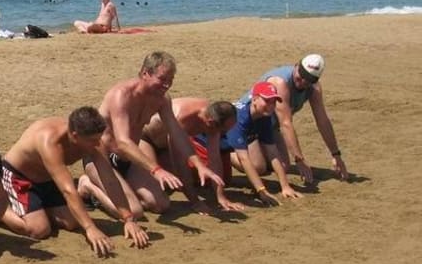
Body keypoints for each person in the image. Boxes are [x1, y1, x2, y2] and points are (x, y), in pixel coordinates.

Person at [0, 107, 149, 255]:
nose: (98, 144)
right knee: (39, 230)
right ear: (75, 136)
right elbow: (68, 190)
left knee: (72, 222)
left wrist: (128, 218)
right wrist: (91, 229)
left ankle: (36, 208)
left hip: (47, 179)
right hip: (18, 177)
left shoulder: (92, 139)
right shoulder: (50, 141)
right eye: (93, 141)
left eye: (98, 139)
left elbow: (110, 180)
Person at [78, 51, 223, 217]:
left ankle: (122, 189)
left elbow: (177, 134)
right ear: (145, 73)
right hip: (102, 158)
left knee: (161, 204)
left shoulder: (161, 99)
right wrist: (156, 170)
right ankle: (87, 184)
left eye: (171, 80)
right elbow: (123, 142)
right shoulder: (122, 95)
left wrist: (198, 164)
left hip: (129, 160)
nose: (167, 85)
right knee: (135, 211)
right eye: (162, 79)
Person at [237, 54, 349, 184]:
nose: (303, 81)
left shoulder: (314, 88)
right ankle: (228, 150)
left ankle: (256, 149)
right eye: (301, 75)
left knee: (284, 166)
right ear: (296, 66)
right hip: (248, 124)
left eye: (309, 80)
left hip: (268, 127)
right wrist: (299, 159)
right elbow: (285, 123)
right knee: (258, 166)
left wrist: (336, 155)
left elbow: (322, 121)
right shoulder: (280, 82)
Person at [140, 98, 245, 212]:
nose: (224, 134)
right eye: (224, 131)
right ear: (210, 123)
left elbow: (215, 159)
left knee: (175, 183)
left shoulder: (213, 116)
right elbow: (180, 163)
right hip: (146, 139)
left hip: (164, 146)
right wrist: (195, 202)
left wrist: (221, 197)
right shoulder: (184, 118)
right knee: (159, 193)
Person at [221, 82, 302, 205]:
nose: (271, 106)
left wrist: (285, 186)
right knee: (224, 181)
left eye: (273, 102)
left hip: (233, 143)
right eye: (267, 101)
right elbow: (244, 158)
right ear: (254, 99)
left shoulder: (264, 116)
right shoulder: (239, 118)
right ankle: (225, 157)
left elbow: (273, 152)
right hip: (208, 147)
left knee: (260, 166)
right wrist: (262, 191)